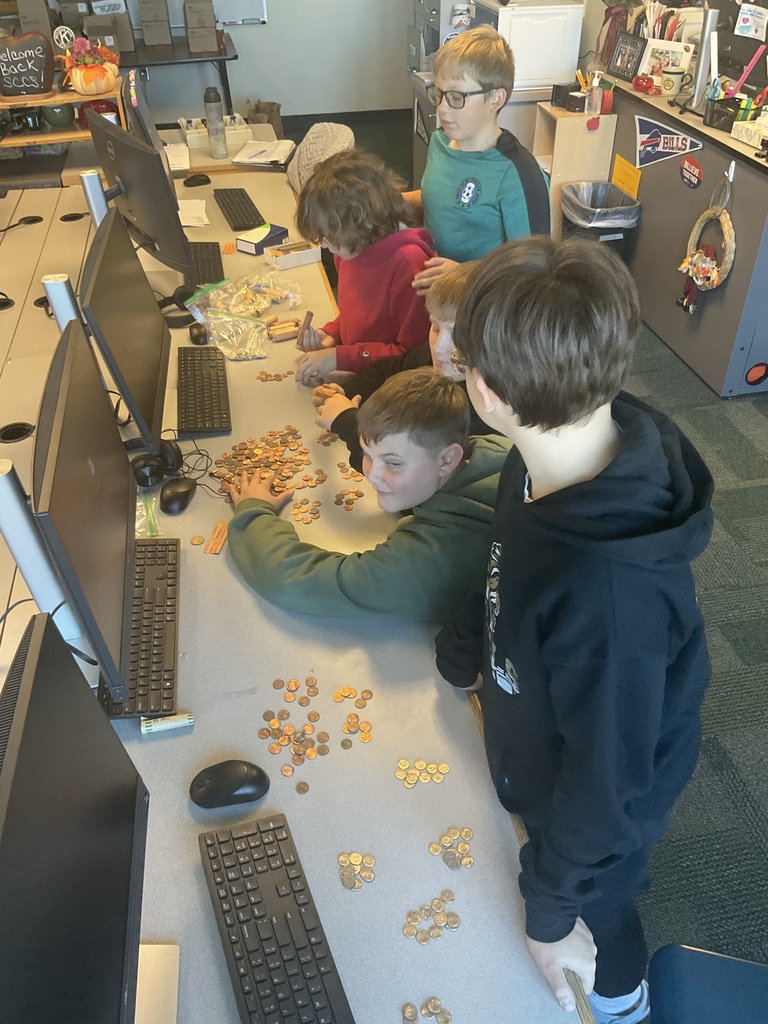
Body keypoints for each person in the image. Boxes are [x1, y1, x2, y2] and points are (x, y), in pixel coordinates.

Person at [435, 237, 714, 1024]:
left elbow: (608, 789)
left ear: (485, 394)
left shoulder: (609, 596)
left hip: (603, 808)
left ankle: (626, 1005)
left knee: (608, 906)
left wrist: (553, 916)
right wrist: (464, 650)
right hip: (549, 739)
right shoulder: (544, 451)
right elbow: (501, 564)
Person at [226, 369, 509, 621]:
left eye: (393, 463)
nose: (372, 476)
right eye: (368, 455)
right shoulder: (493, 450)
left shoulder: (425, 563)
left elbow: (292, 581)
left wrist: (254, 513)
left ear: (447, 460)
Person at [405, 25, 550, 295]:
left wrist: (464, 274)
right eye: (438, 93)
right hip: (434, 292)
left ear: (495, 98)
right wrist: (392, 202)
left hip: (482, 304)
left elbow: (533, 270)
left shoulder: (519, 174)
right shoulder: (439, 143)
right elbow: (440, 201)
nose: (442, 108)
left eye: (456, 97)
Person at [311, 260, 496, 471]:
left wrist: (345, 421)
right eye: (435, 327)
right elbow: (390, 369)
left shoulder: (481, 415)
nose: (439, 347)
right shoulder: (430, 355)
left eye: (457, 335)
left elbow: (401, 473)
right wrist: (345, 391)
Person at [293, 148, 434, 385]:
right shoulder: (349, 250)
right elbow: (355, 316)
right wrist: (331, 335)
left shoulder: (409, 265)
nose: (325, 246)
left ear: (360, 224)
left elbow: (412, 357)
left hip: (389, 386)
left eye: (329, 236)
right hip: (360, 371)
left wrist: (341, 357)